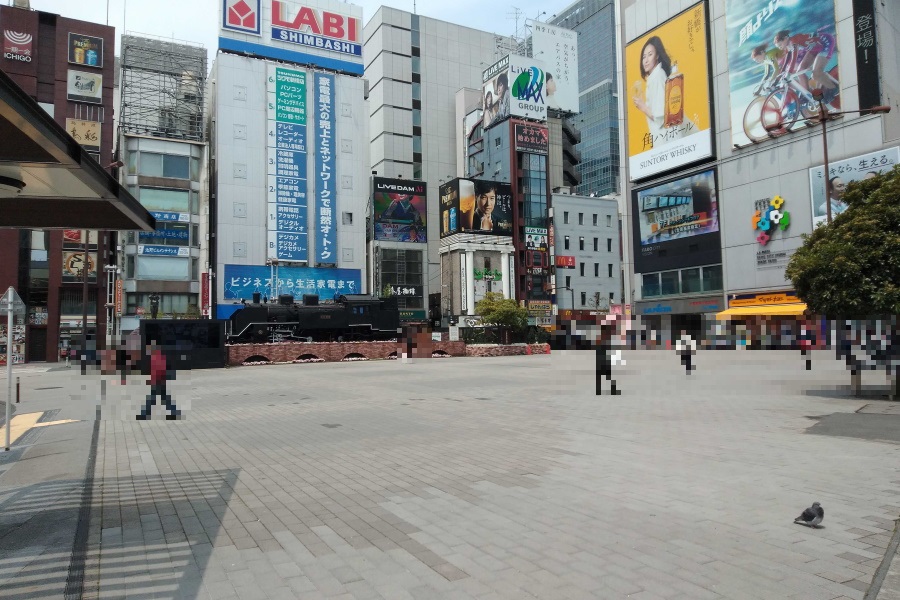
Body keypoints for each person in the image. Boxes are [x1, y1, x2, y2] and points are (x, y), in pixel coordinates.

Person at [631, 36, 692, 149]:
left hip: (668, 144)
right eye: (644, 57)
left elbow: (661, 117)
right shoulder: (655, 77)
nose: (646, 60)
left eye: (650, 55)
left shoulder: (657, 76)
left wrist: (643, 106)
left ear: (657, 56)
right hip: (667, 144)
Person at [774, 28, 838, 106]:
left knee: (816, 74)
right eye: (778, 47)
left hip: (825, 42)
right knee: (799, 71)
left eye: (780, 45)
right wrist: (779, 77)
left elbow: (793, 59)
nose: (780, 48)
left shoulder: (793, 41)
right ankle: (808, 95)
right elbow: (787, 61)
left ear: (786, 38)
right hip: (815, 47)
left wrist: (788, 73)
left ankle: (833, 88)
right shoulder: (788, 45)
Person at [137, 340, 180, 420]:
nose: (147, 350)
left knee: (153, 398)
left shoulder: (156, 357)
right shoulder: (157, 356)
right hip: (160, 380)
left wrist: (153, 380)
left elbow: (159, 370)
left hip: (158, 381)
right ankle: (175, 413)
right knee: (163, 398)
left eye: (149, 348)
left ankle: (144, 414)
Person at [596, 324, 620, 395]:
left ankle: (599, 390)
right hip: (603, 358)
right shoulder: (604, 338)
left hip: (601, 358)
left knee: (602, 375)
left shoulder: (600, 338)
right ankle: (612, 390)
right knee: (607, 374)